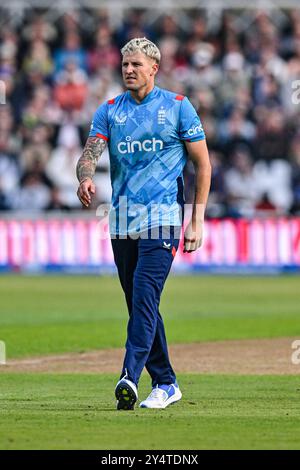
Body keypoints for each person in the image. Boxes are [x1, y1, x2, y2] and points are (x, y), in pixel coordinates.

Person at [76, 38, 211, 410]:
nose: (129, 70)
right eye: (124, 65)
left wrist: (196, 220)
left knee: (145, 295)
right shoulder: (109, 110)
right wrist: (85, 177)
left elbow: (203, 164)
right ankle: (166, 382)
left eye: (136, 64)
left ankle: (129, 377)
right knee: (138, 303)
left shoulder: (179, 108)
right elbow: (89, 154)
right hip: (122, 221)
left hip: (164, 220)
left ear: (154, 68)